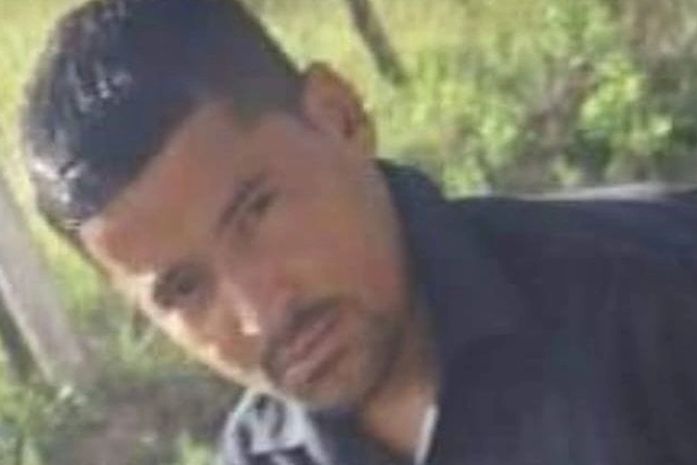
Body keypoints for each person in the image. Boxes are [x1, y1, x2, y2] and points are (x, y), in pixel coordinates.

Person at [20, 0, 697, 464]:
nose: (260, 312)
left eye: (256, 211)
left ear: (338, 116)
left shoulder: (656, 299)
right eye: (184, 289)